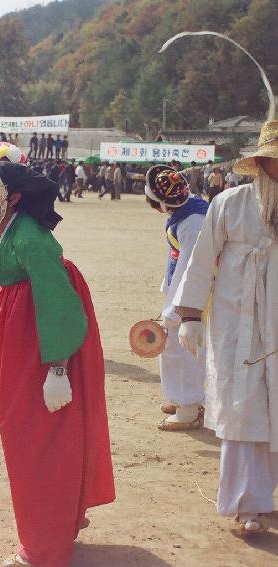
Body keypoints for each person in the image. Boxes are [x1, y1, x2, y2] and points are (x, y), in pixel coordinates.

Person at [0, 160, 115, 567]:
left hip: (48, 337)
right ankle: (58, 521)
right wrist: (2, 343)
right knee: (21, 428)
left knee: (39, 437)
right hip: (21, 340)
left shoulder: (32, 238)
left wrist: (58, 369)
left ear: (13, 198)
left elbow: (57, 302)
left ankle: (43, 546)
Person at [173, 120, 278, 537]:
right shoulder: (229, 203)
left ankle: (267, 494)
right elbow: (200, 261)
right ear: (262, 163)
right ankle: (247, 503)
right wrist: (191, 316)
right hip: (239, 327)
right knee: (243, 409)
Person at [144, 165, 208, 431]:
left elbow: (191, 267)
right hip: (179, 288)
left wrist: (175, 309)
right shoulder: (185, 208)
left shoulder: (193, 220)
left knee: (182, 349)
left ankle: (190, 407)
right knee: (174, 348)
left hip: (191, 295)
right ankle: (179, 397)